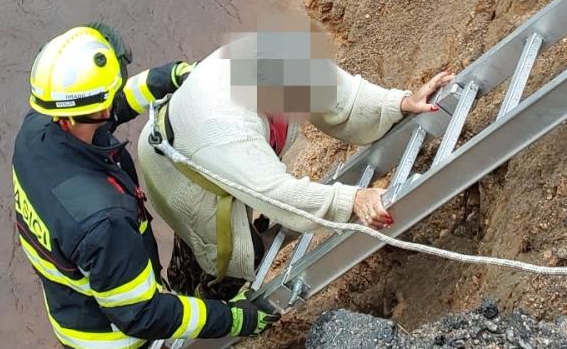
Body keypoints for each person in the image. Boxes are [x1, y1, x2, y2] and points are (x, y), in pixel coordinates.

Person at [12, 23, 275, 349]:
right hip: (103, 340)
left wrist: (167, 79)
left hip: (74, 293)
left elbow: (108, 110)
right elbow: (143, 315)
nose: (121, 94)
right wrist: (238, 320)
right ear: (77, 109)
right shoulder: (101, 219)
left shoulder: (39, 133)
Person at [135, 27, 452, 297]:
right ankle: (212, 296)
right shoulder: (224, 124)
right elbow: (273, 192)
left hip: (198, 141)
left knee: (231, 205)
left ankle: (193, 276)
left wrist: (398, 102)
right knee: (225, 250)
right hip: (176, 172)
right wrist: (351, 199)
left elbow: (344, 96)